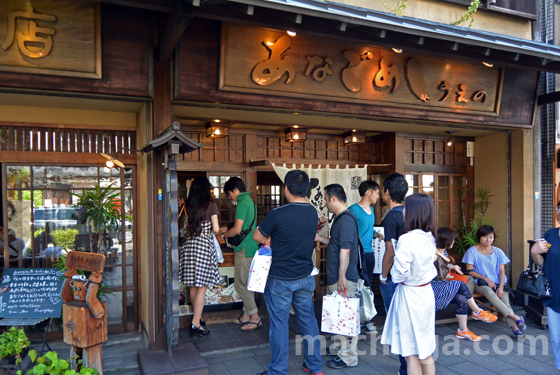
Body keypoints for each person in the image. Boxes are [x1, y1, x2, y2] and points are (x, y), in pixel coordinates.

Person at [253, 170, 323, 375]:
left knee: (279, 324)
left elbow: (258, 235)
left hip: (279, 279)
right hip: (304, 276)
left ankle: (278, 370)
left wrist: (269, 237)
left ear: (286, 188)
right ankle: (314, 366)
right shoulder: (312, 212)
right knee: (308, 321)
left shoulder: (278, 213)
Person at [381, 193, 437, 375]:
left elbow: (398, 274)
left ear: (412, 212)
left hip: (409, 296)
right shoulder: (430, 236)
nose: (403, 210)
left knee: (411, 353)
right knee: (426, 351)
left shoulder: (407, 238)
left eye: (406, 207)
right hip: (426, 292)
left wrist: (395, 272)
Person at [315, 183, 360, 370]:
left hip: (345, 278)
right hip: (338, 277)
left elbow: (346, 249)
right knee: (337, 314)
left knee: (345, 316)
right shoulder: (340, 218)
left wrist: (341, 275)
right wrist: (319, 238)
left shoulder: (346, 220)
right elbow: (336, 243)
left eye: (326, 199)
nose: (325, 203)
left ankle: (348, 356)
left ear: (333, 198)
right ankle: (338, 348)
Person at [431, 227, 497, 342]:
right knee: (460, 284)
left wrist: (452, 267)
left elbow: (444, 266)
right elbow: (428, 273)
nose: (454, 242)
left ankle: (463, 331)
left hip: (443, 284)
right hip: (433, 287)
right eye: (452, 239)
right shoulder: (432, 253)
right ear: (446, 240)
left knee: (461, 298)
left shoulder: (444, 251)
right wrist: (444, 276)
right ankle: (477, 312)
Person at [462, 225, 527, 338]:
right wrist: (485, 278)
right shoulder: (472, 251)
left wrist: (501, 287)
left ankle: (515, 329)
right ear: (479, 237)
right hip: (480, 283)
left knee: (504, 301)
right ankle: (516, 317)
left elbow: (502, 271)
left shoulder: (498, 252)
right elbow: (470, 271)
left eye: (491, 237)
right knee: (490, 293)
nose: (488, 240)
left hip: (498, 283)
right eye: (485, 237)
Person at [179, 176, 221, 337]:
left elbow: (182, 229)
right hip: (203, 247)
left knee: (193, 285)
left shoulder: (187, 205)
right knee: (202, 286)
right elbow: (216, 229)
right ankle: (195, 323)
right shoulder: (211, 206)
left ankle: (197, 317)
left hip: (189, 247)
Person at [220, 177, 261, 331]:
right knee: (247, 284)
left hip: (244, 249)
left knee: (240, 285)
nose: (230, 197)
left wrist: (224, 235)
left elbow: (237, 230)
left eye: (230, 193)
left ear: (236, 190)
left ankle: (255, 317)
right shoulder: (251, 202)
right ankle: (246, 316)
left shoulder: (242, 203)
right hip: (252, 248)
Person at [379, 172, 408, 375]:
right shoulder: (411, 214)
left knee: (397, 323)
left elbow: (390, 252)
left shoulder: (391, 217)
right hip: (412, 277)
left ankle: (405, 367)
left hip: (395, 277)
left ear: (387, 192)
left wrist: (382, 276)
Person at [348, 180, 384, 334]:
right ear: (368, 192)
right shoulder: (353, 210)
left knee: (367, 287)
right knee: (361, 286)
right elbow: (348, 231)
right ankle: (362, 320)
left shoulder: (371, 209)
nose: (378, 196)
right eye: (376, 192)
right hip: (358, 254)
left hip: (370, 254)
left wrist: (376, 235)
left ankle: (364, 318)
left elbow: (368, 231)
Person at [531, 200, 560, 371]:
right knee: (556, 338)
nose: (559, 212)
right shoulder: (550, 234)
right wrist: (535, 252)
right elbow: (542, 263)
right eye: (559, 209)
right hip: (553, 293)